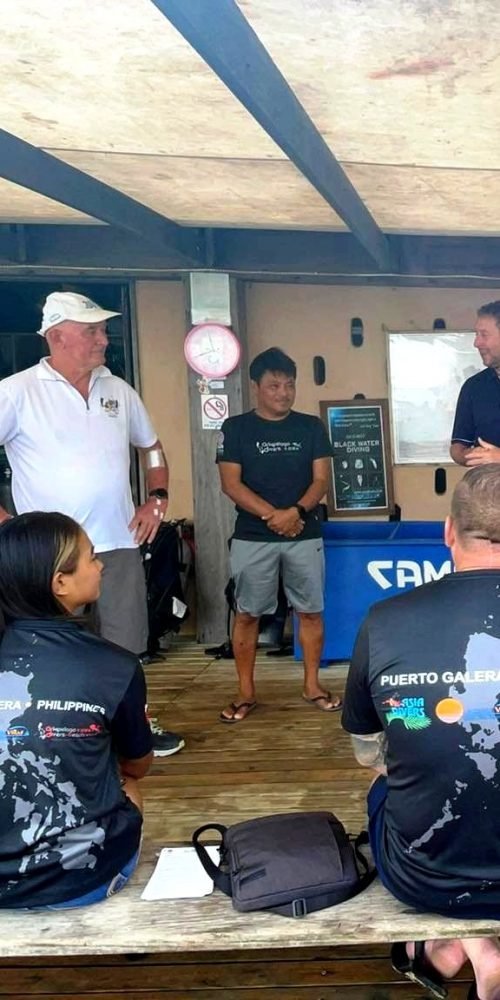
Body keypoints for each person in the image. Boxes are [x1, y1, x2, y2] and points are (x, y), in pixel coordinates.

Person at [0, 291, 183, 757]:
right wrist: (6, 526)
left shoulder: (118, 389)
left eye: (103, 330)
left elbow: (152, 448)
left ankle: (134, 728)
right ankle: (52, 728)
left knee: (126, 644)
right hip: (50, 553)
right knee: (50, 645)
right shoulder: (17, 390)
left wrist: (156, 500)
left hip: (118, 540)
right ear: (57, 336)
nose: (103, 339)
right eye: (91, 331)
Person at [342, 466, 500, 1000]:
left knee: (389, 779)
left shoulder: (386, 619)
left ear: (448, 532)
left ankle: (459, 943)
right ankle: (473, 946)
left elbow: (366, 751)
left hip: (424, 877)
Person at [0, 512, 153, 909]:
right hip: (80, 883)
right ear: (60, 583)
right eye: (91, 557)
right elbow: (137, 765)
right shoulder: (115, 666)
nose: (100, 566)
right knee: (127, 783)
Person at [217, 346, 341, 723]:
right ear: (256, 387)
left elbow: (321, 480)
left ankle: (312, 685)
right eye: (274, 386)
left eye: (289, 385)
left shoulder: (311, 427)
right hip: (253, 536)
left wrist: (295, 512)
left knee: (311, 611)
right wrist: (274, 516)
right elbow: (230, 484)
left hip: (304, 532)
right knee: (247, 614)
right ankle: (245, 692)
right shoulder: (236, 428)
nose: (283, 393)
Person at [451, 300, 500, 468]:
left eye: (484, 335)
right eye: (476, 334)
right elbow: (458, 447)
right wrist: (474, 455)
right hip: (485, 484)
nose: (476, 343)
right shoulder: (473, 387)